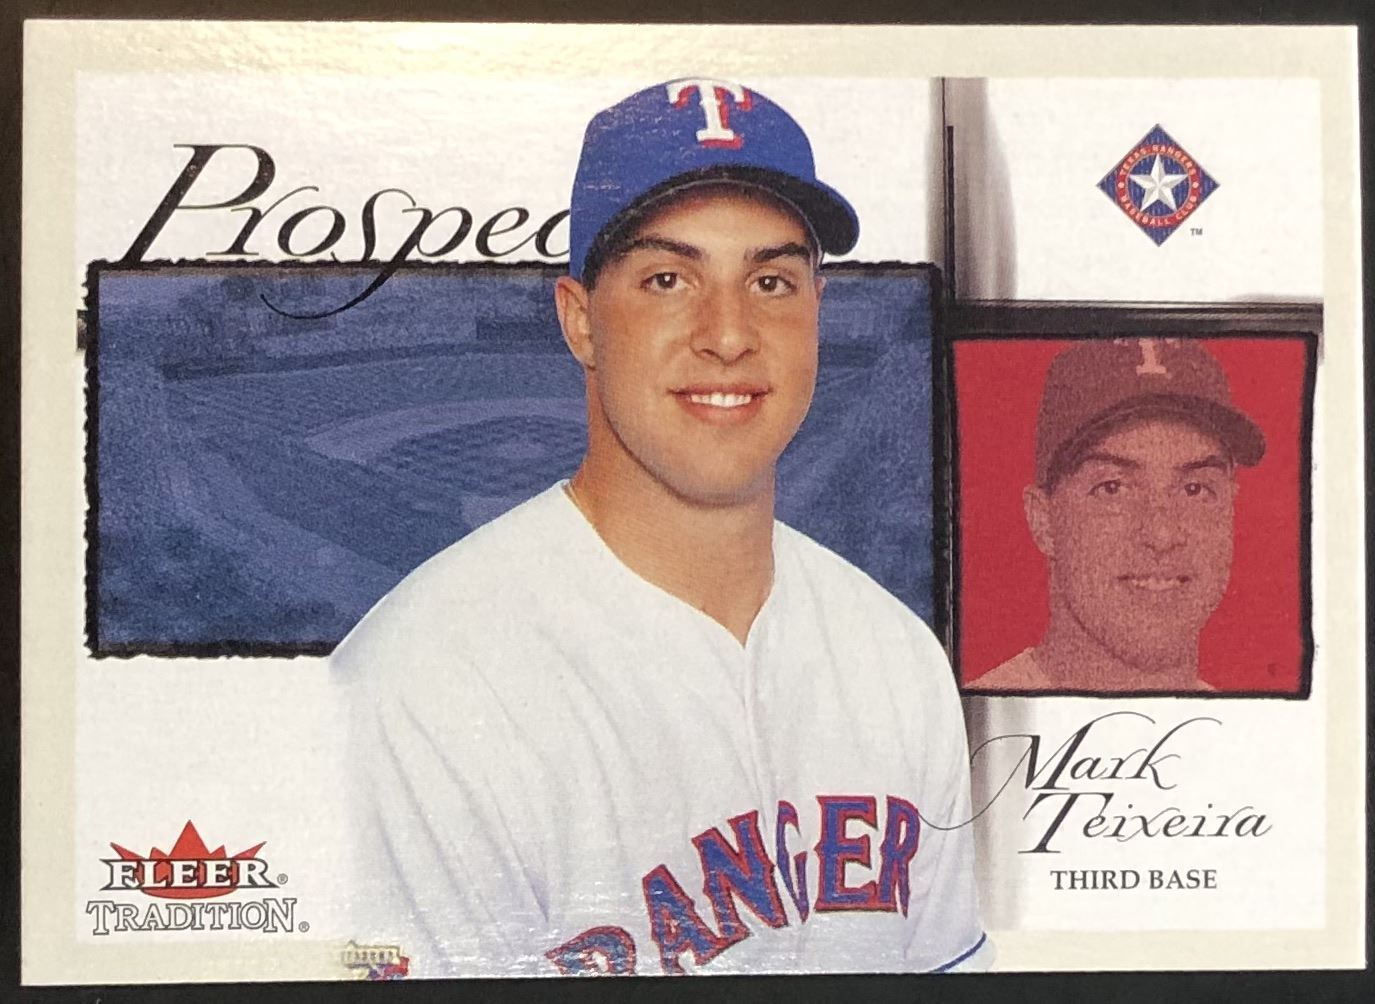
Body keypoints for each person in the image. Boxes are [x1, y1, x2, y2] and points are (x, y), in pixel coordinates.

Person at [333, 78, 989, 977]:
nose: (728, 334)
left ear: (816, 313)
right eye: (667, 280)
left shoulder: (896, 658)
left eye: (769, 281)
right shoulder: (422, 687)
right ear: (580, 321)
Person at [966, 337, 1265, 694]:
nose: (1161, 534)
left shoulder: (1256, 725)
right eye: (1112, 488)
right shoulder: (976, 717)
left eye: (1194, 489)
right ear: (1042, 520)